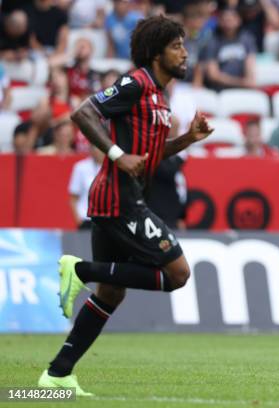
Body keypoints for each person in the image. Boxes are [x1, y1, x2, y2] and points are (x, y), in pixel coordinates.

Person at [37, 15, 214, 396]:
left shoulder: (160, 97)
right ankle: (80, 269)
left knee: (110, 293)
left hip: (121, 198)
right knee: (178, 274)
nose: (184, 53)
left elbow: (149, 154)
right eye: (176, 46)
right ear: (155, 53)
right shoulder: (135, 83)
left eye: (184, 45)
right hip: (119, 200)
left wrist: (187, 139)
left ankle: (58, 373)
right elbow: (82, 113)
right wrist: (117, 154)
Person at [68, 146, 105, 229]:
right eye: (94, 147)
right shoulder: (81, 167)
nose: (97, 151)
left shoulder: (112, 168)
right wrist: (78, 220)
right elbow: (73, 198)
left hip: (106, 219)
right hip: (86, 219)